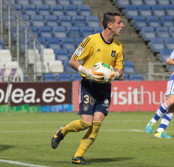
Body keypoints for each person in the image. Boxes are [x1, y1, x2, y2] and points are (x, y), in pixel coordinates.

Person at [51, 12, 124, 164]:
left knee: (97, 123)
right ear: (109, 25)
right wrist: (88, 72)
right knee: (85, 123)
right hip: (89, 86)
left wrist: (113, 75)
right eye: (119, 22)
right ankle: (62, 131)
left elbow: (120, 72)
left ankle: (77, 156)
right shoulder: (91, 40)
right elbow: (72, 61)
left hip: (104, 88)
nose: (122, 25)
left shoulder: (118, 46)